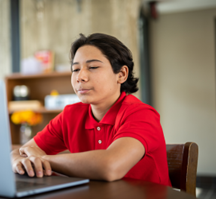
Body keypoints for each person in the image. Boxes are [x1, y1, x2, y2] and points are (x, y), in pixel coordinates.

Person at [11, 33, 171, 186]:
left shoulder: (141, 114)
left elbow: (110, 166)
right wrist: (17, 161)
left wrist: (44, 160)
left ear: (121, 74)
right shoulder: (70, 115)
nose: (80, 77)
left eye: (93, 67)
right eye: (75, 69)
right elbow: (24, 151)